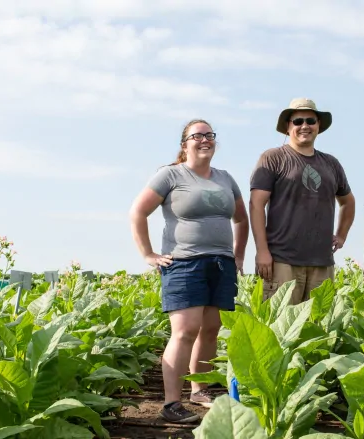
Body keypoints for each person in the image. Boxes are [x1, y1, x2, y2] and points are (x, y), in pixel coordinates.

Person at [129, 119, 249, 423]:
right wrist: (148, 254)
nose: (205, 140)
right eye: (198, 135)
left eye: (210, 135)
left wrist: (238, 256)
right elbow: (138, 212)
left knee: (210, 330)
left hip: (221, 264)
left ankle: (199, 390)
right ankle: (171, 404)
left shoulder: (225, 178)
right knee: (184, 332)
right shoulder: (170, 175)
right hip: (184, 262)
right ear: (185, 144)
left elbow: (241, 220)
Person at [249, 98, 355, 304]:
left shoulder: (331, 163)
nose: (304, 126)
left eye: (310, 121)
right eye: (297, 121)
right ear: (288, 127)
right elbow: (256, 205)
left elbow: (348, 202)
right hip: (281, 260)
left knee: (317, 327)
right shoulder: (273, 157)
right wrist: (262, 251)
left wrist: (341, 235)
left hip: (322, 262)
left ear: (318, 126)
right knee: (280, 326)